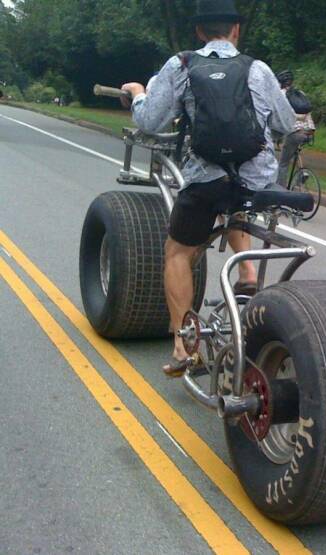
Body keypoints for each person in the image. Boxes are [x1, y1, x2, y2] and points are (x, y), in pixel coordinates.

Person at [120, 0, 295, 376]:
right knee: (236, 203)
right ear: (236, 30)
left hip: (206, 179)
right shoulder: (258, 68)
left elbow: (151, 121)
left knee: (177, 252)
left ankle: (183, 347)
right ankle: (247, 273)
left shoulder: (181, 64)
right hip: (255, 182)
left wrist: (137, 93)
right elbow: (286, 122)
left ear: (199, 31)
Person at [275, 70, 315, 187]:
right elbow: (308, 112)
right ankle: (301, 173)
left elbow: (279, 116)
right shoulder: (300, 93)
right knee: (294, 150)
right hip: (308, 131)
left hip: (294, 131)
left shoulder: (281, 95)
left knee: (283, 163)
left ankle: (280, 189)